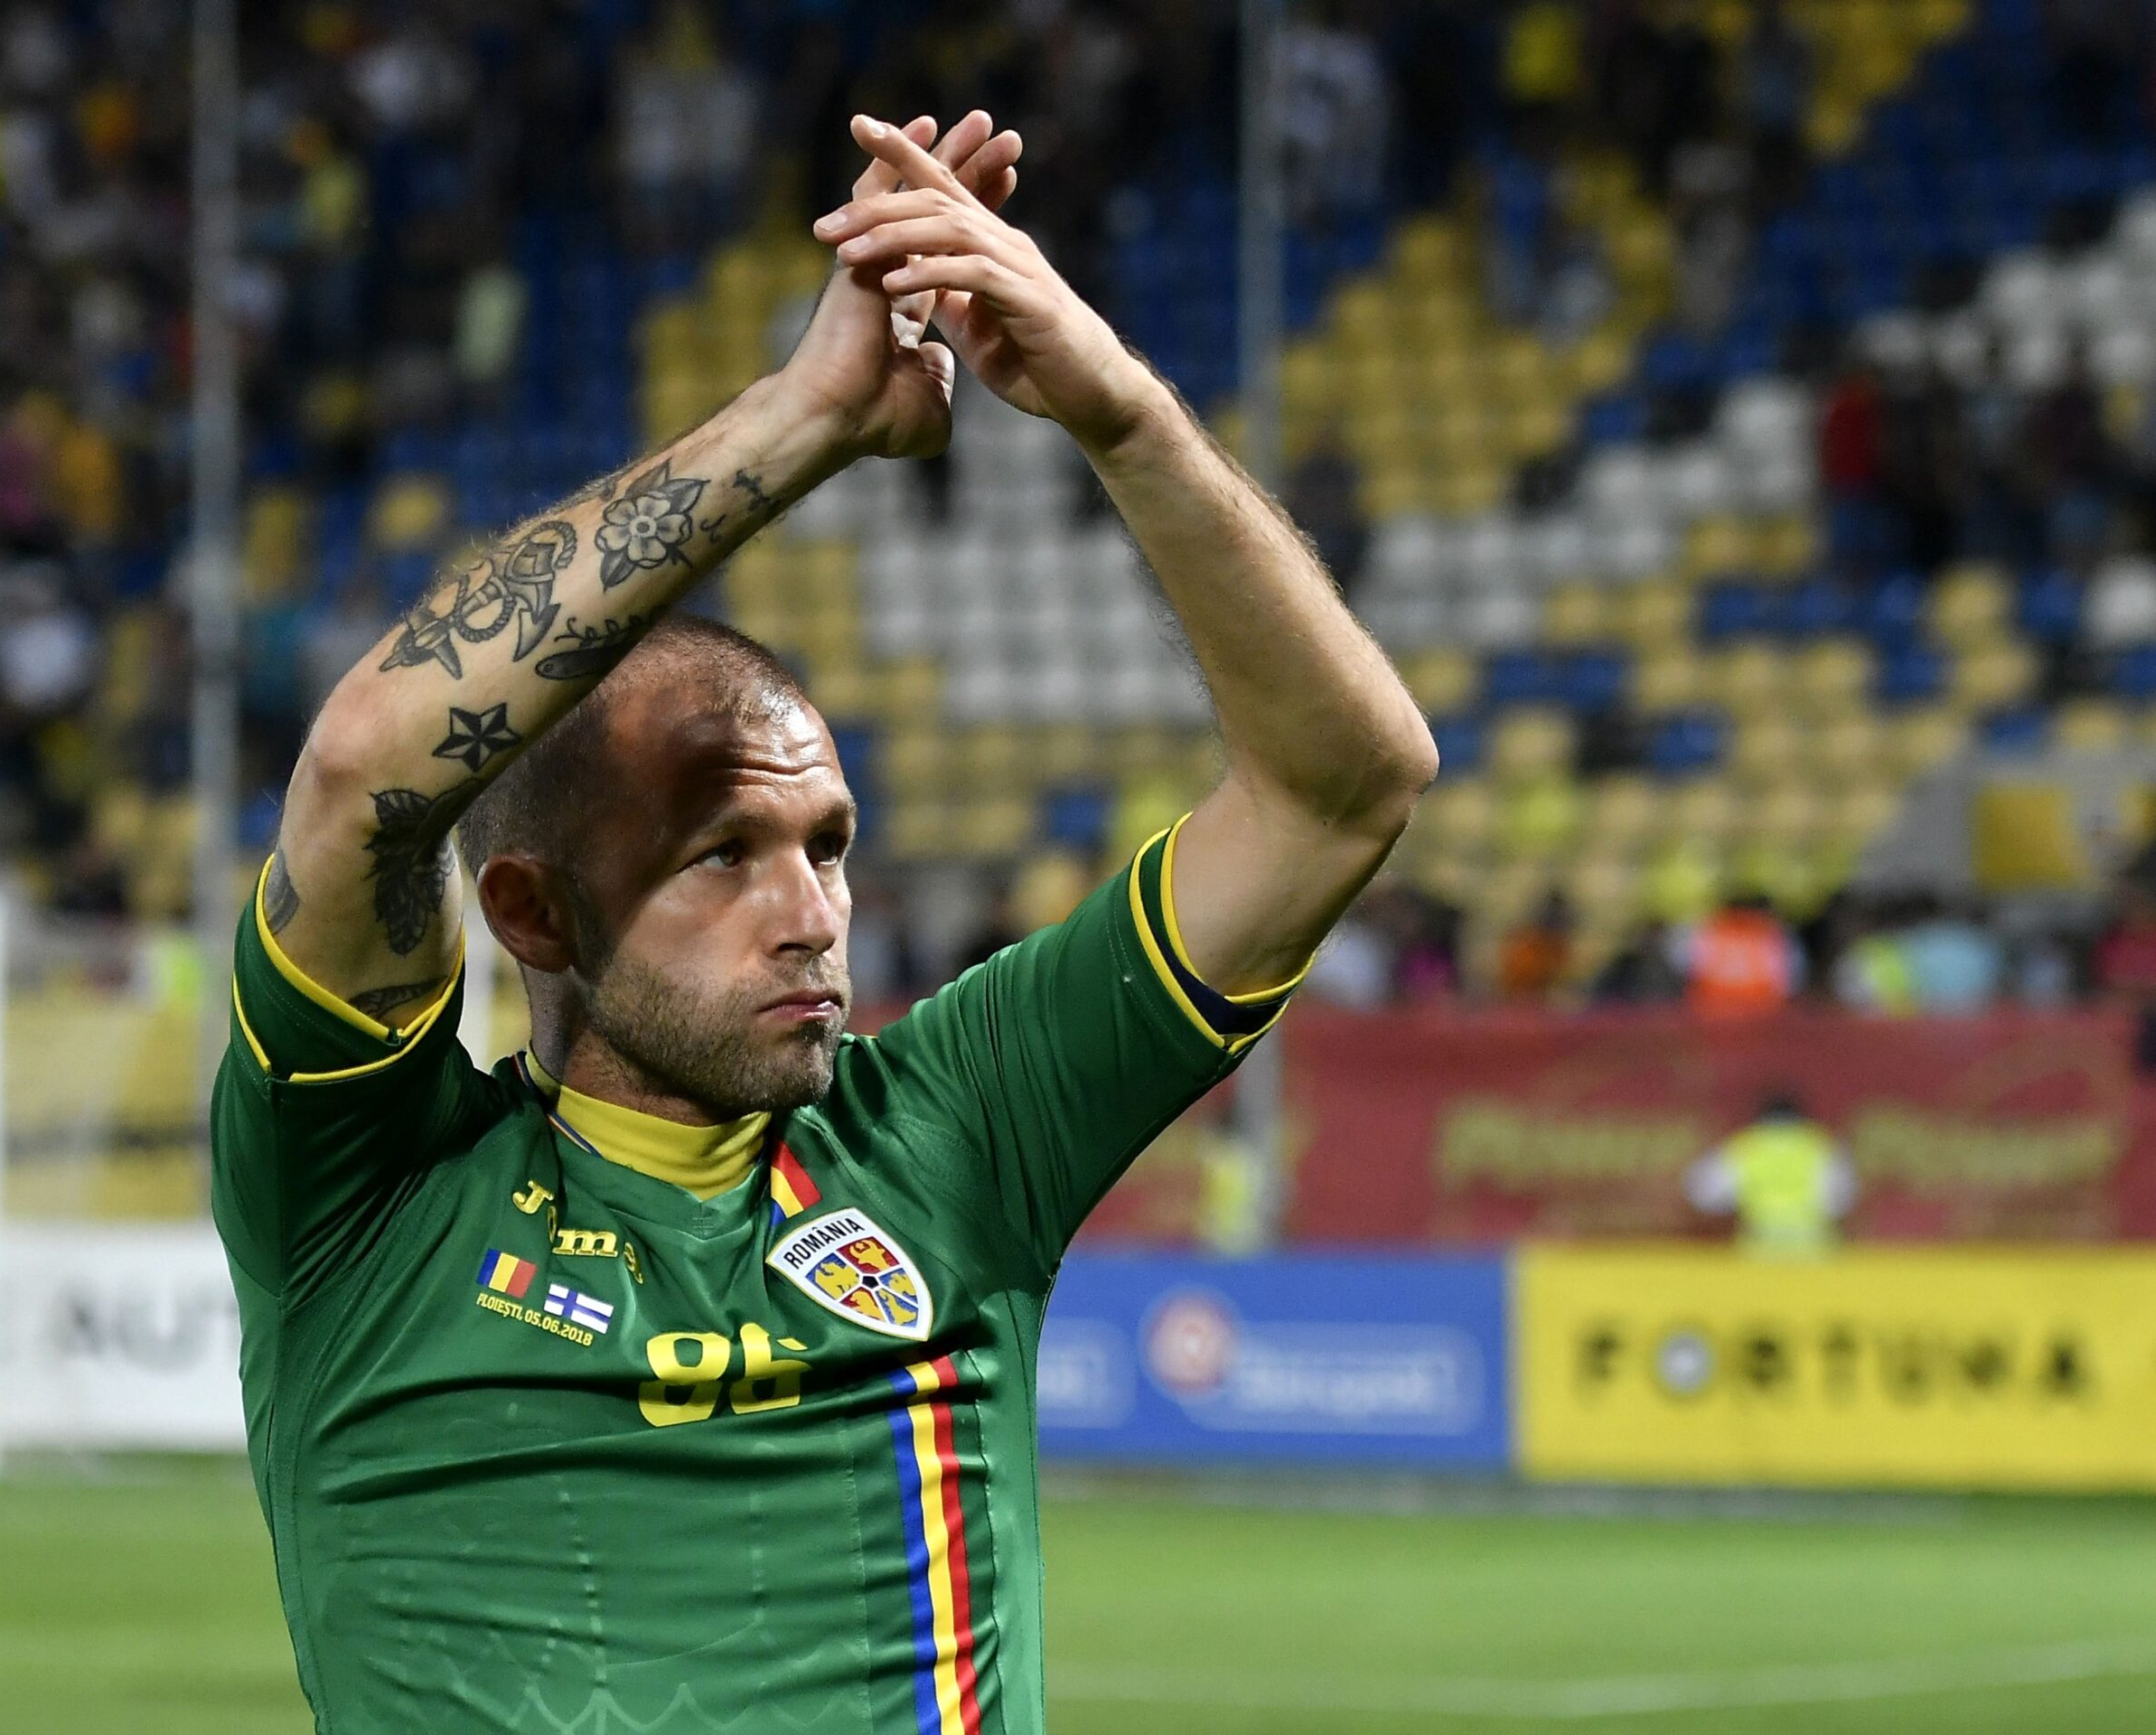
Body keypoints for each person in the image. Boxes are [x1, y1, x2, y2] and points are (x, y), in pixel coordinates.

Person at [210, 110, 1438, 1733]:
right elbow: (367, 773)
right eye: (724, 854)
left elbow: (1344, 787)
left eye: (832, 845)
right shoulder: (359, 1198)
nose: (814, 917)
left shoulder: (953, 1132)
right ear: (534, 910)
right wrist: (810, 414)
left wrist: (1120, 414)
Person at [1684, 1090, 1855, 1257]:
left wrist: (1736, 1201)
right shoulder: (1820, 1146)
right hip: (1814, 1250)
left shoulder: (1746, 1146)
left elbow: (1703, 1192)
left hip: (1759, 1248)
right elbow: (1841, 1200)